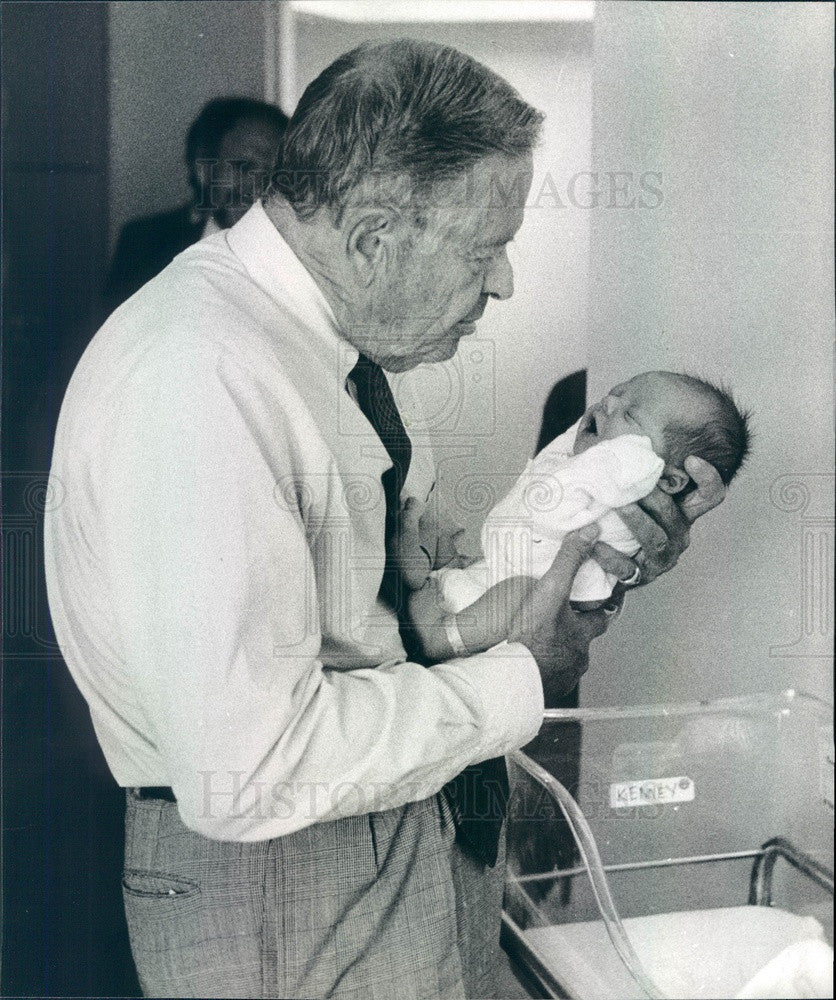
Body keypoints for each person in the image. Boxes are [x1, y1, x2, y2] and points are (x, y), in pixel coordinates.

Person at [44, 40, 725, 999]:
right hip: (286, 882)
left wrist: (582, 546)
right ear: (371, 237)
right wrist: (519, 672)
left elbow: (380, 610)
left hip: (385, 835)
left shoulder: (315, 352)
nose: (504, 285)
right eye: (486, 250)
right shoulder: (195, 377)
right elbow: (250, 772)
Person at [399, 372, 750, 661]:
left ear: (669, 479)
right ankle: (423, 592)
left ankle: (438, 639)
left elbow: (557, 498)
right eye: (615, 393)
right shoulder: (599, 459)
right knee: (449, 569)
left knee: (514, 593)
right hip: (493, 574)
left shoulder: (623, 481)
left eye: (630, 414)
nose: (607, 403)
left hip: (523, 599)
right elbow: (576, 445)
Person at [103, 97, 288, 313]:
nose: (260, 187)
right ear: (204, 170)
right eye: (244, 167)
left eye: (276, 172)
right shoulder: (144, 243)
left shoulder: (297, 253)